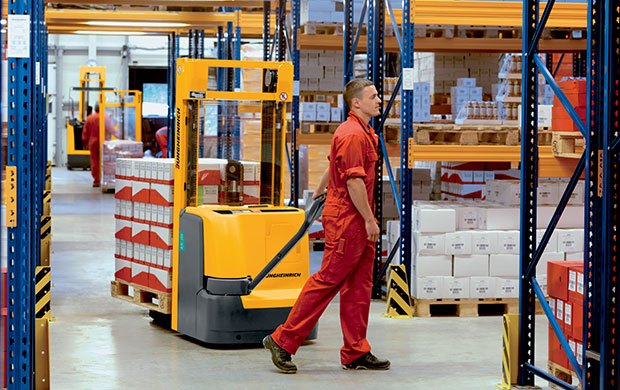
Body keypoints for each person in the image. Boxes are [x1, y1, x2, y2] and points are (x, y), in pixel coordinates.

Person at [263, 79, 389, 373]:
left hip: (354, 217)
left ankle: (356, 350)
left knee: (359, 287)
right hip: (349, 219)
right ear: (356, 103)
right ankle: (282, 340)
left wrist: (320, 193)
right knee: (327, 281)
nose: (379, 100)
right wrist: (370, 219)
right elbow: (354, 181)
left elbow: (334, 167)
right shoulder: (353, 135)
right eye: (373, 96)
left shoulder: (364, 131)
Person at [82, 103, 115, 187]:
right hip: (105, 142)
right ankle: (107, 180)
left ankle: (96, 180)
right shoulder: (106, 118)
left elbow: (85, 132)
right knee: (106, 161)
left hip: (93, 142)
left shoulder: (90, 118)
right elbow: (112, 130)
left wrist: (85, 142)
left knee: (94, 161)